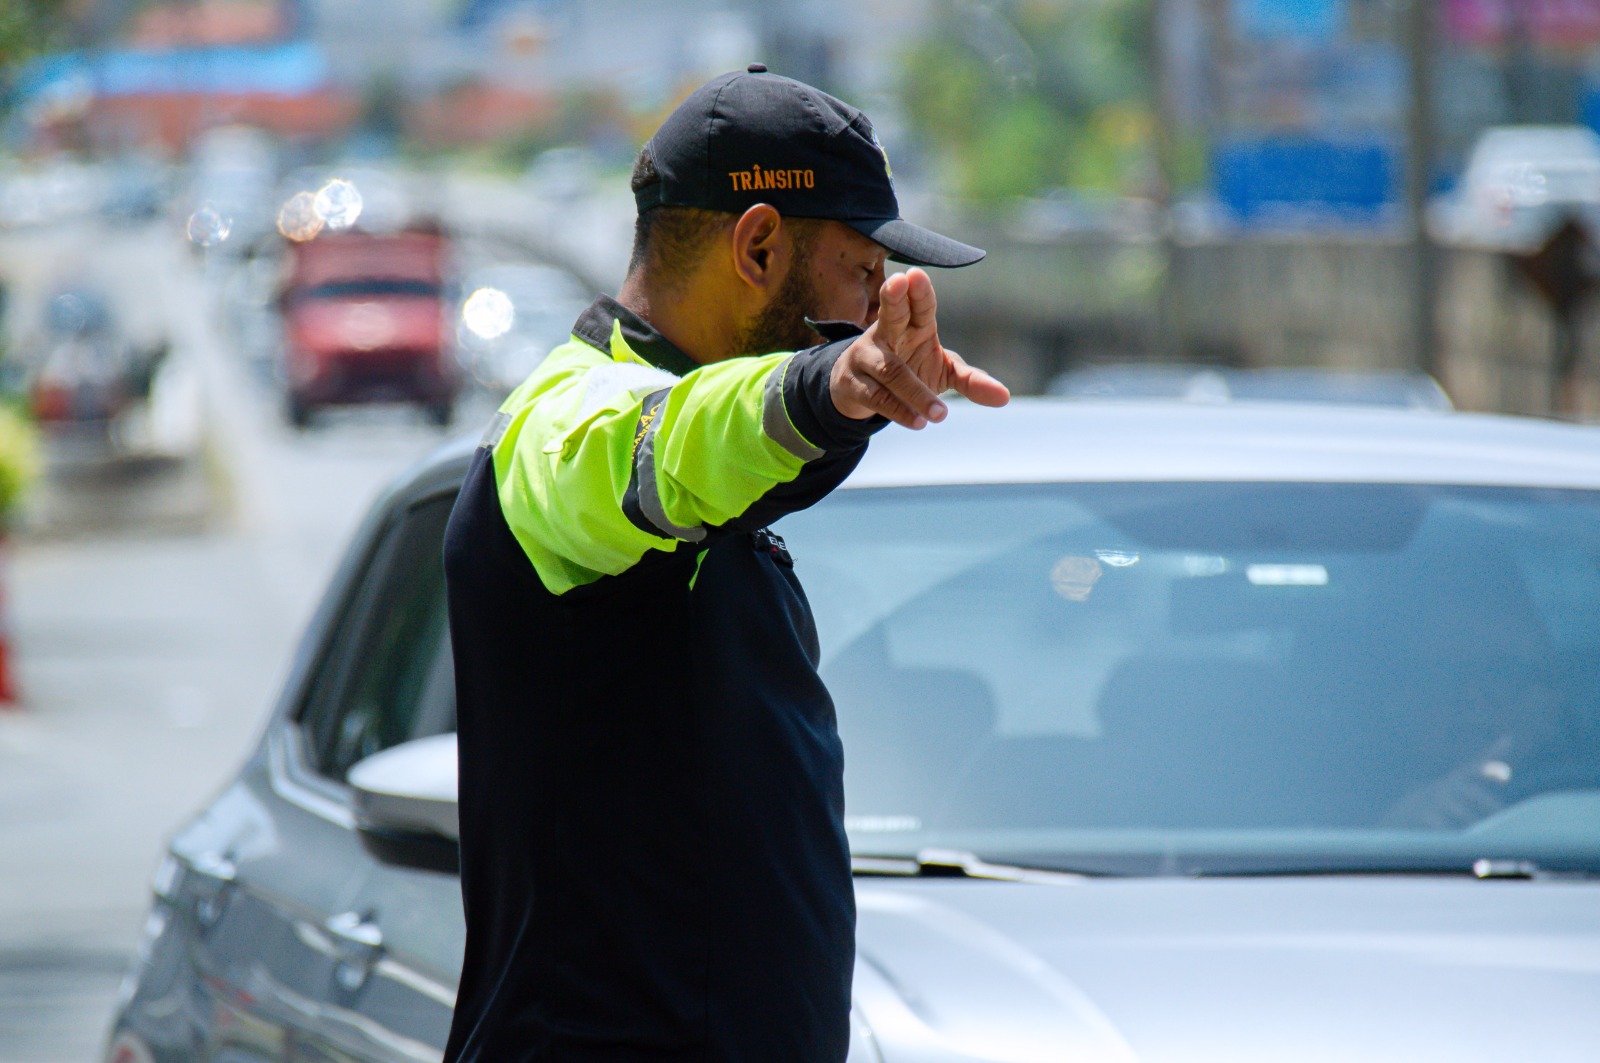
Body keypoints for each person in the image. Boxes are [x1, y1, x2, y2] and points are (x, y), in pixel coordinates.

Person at [442, 66, 1009, 1062]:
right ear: (757, 247)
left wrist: (837, 398)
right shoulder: (562, 422)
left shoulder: (724, 489)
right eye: (861, 273)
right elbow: (674, 446)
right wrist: (825, 387)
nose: (872, 309)